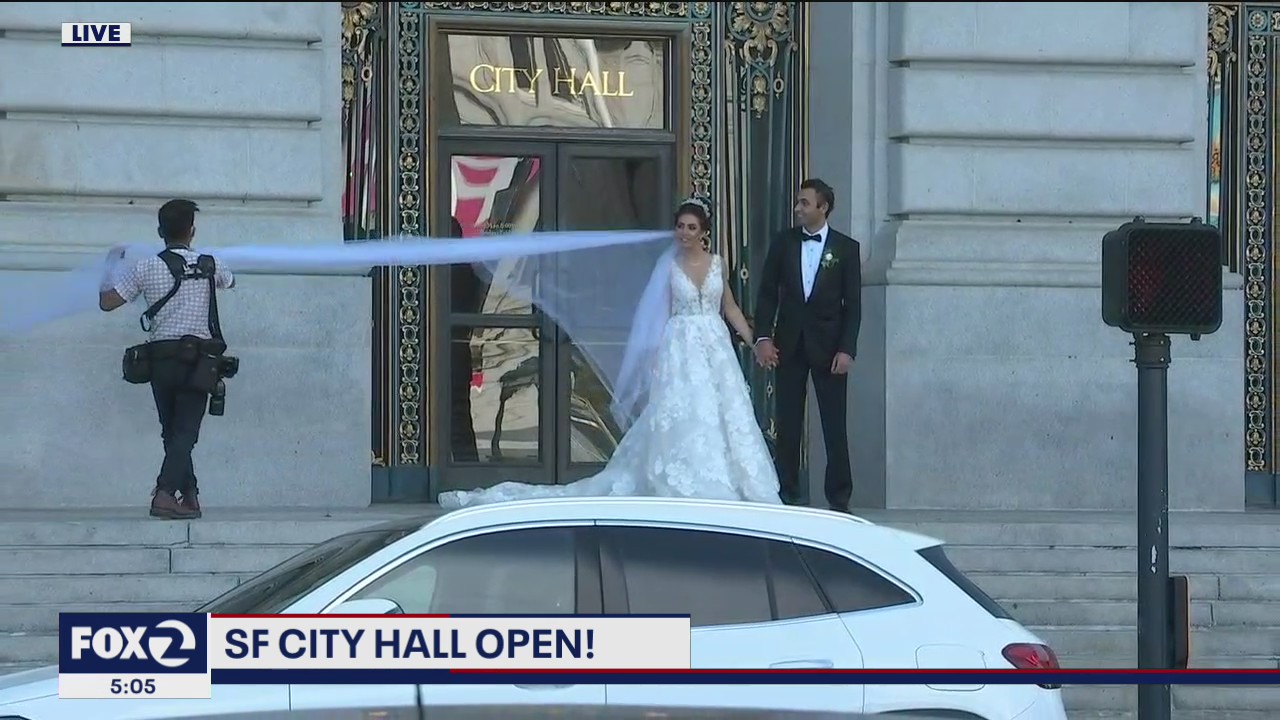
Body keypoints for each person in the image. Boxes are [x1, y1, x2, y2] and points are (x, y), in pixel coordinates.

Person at [438, 197, 781, 509]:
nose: (684, 233)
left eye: (692, 228)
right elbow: (658, 314)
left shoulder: (718, 264)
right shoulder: (669, 266)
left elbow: (730, 307)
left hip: (715, 346)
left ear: (704, 232)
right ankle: (684, 477)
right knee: (683, 411)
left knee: (723, 410)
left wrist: (755, 342)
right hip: (681, 346)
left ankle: (730, 479)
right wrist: (653, 357)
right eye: (680, 226)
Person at [99, 199, 236, 520]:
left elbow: (107, 302)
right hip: (198, 360)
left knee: (172, 433)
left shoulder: (145, 267)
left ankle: (189, 496)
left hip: (161, 359)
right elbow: (230, 282)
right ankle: (164, 494)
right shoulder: (210, 264)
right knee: (185, 433)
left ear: (160, 232)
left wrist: (110, 264)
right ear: (192, 231)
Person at [752, 178, 862, 513]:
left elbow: (853, 306)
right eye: (798, 202)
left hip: (829, 349)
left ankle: (839, 497)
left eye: (804, 203)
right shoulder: (783, 243)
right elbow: (768, 293)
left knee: (834, 424)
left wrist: (847, 349)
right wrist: (763, 337)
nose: (798, 208)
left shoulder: (846, 248)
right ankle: (788, 492)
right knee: (788, 422)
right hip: (789, 344)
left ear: (823, 207)